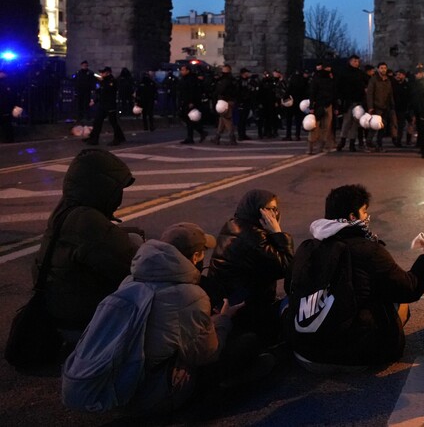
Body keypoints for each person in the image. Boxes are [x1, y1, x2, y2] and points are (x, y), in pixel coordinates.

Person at [289, 184, 424, 369]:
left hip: (306, 350)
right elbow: (410, 289)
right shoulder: (366, 249)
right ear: (352, 216)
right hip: (355, 352)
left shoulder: (309, 246)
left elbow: (291, 288)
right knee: (398, 301)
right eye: (364, 212)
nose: (367, 217)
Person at [123, 223, 240, 415]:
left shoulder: (130, 281)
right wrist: (223, 319)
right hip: (153, 393)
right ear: (195, 257)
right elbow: (206, 354)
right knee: (244, 344)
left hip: (119, 383)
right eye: (203, 252)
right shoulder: (190, 295)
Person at [33, 148, 139, 348]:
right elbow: (131, 265)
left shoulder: (66, 211)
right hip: (81, 322)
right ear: (104, 187)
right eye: (118, 189)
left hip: (58, 310)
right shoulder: (87, 221)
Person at [205, 189, 294, 344]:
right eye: (268, 209)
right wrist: (277, 232)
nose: (273, 214)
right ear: (256, 210)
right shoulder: (252, 236)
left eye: (275, 209)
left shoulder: (233, 224)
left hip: (228, 299)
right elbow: (287, 267)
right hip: (244, 308)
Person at [84, 66, 126, 146]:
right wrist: (95, 101)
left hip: (110, 105)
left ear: (108, 73)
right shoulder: (104, 81)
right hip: (103, 105)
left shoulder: (111, 81)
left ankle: (118, 138)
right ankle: (94, 138)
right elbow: (100, 93)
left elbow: (108, 92)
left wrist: (102, 82)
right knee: (97, 122)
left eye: (102, 72)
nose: (101, 74)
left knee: (113, 122)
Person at [336, 55, 366, 152]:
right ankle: (342, 140)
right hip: (348, 101)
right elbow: (339, 86)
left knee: (355, 123)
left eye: (357, 61)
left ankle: (352, 143)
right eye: (354, 61)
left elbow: (364, 86)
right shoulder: (344, 73)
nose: (356, 63)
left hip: (358, 101)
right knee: (346, 122)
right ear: (350, 62)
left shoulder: (361, 73)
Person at [366, 62, 396, 152]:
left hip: (385, 107)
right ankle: (369, 143)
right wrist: (370, 106)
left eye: (385, 68)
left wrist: (392, 105)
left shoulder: (388, 80)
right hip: (376, 106)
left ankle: (379, 145)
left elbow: (390, 94)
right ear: (378, 69)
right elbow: (370, 94)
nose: (383, 69)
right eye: (381, 68)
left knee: (382, 127)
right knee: (374, 126)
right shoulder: (373, 80)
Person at [177, 64, 207, 144]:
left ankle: (192, 136)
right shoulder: (184, 78)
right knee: (187, 119)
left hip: (189, 102)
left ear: (188, 70)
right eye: (181, 70)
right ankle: (200, 132)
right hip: (184, 101)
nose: (181, 71)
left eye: (183, 70)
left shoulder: (191, 79)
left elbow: (193, 91)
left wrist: (191, 102)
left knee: (189, 119)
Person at [212, 64, 238, 145]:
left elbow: (220, 90)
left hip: (224, 101)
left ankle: (231, 137)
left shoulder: (224, 80)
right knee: (222, 119)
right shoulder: (232, 79)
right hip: (229, 100)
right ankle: (217, 137)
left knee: (227, 119)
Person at [74, 60, 95, 125]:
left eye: (85, 65)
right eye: (83, 65)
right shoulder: (78, 73)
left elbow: (92, 82)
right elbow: (76, 82)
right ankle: (80, 117)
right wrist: (76, 90)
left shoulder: (90, 73)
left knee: (87, 104)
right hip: (80, 91)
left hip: (87, 91)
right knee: (80, 104)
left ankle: (87, 117)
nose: (84, 67)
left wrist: (92, 89)